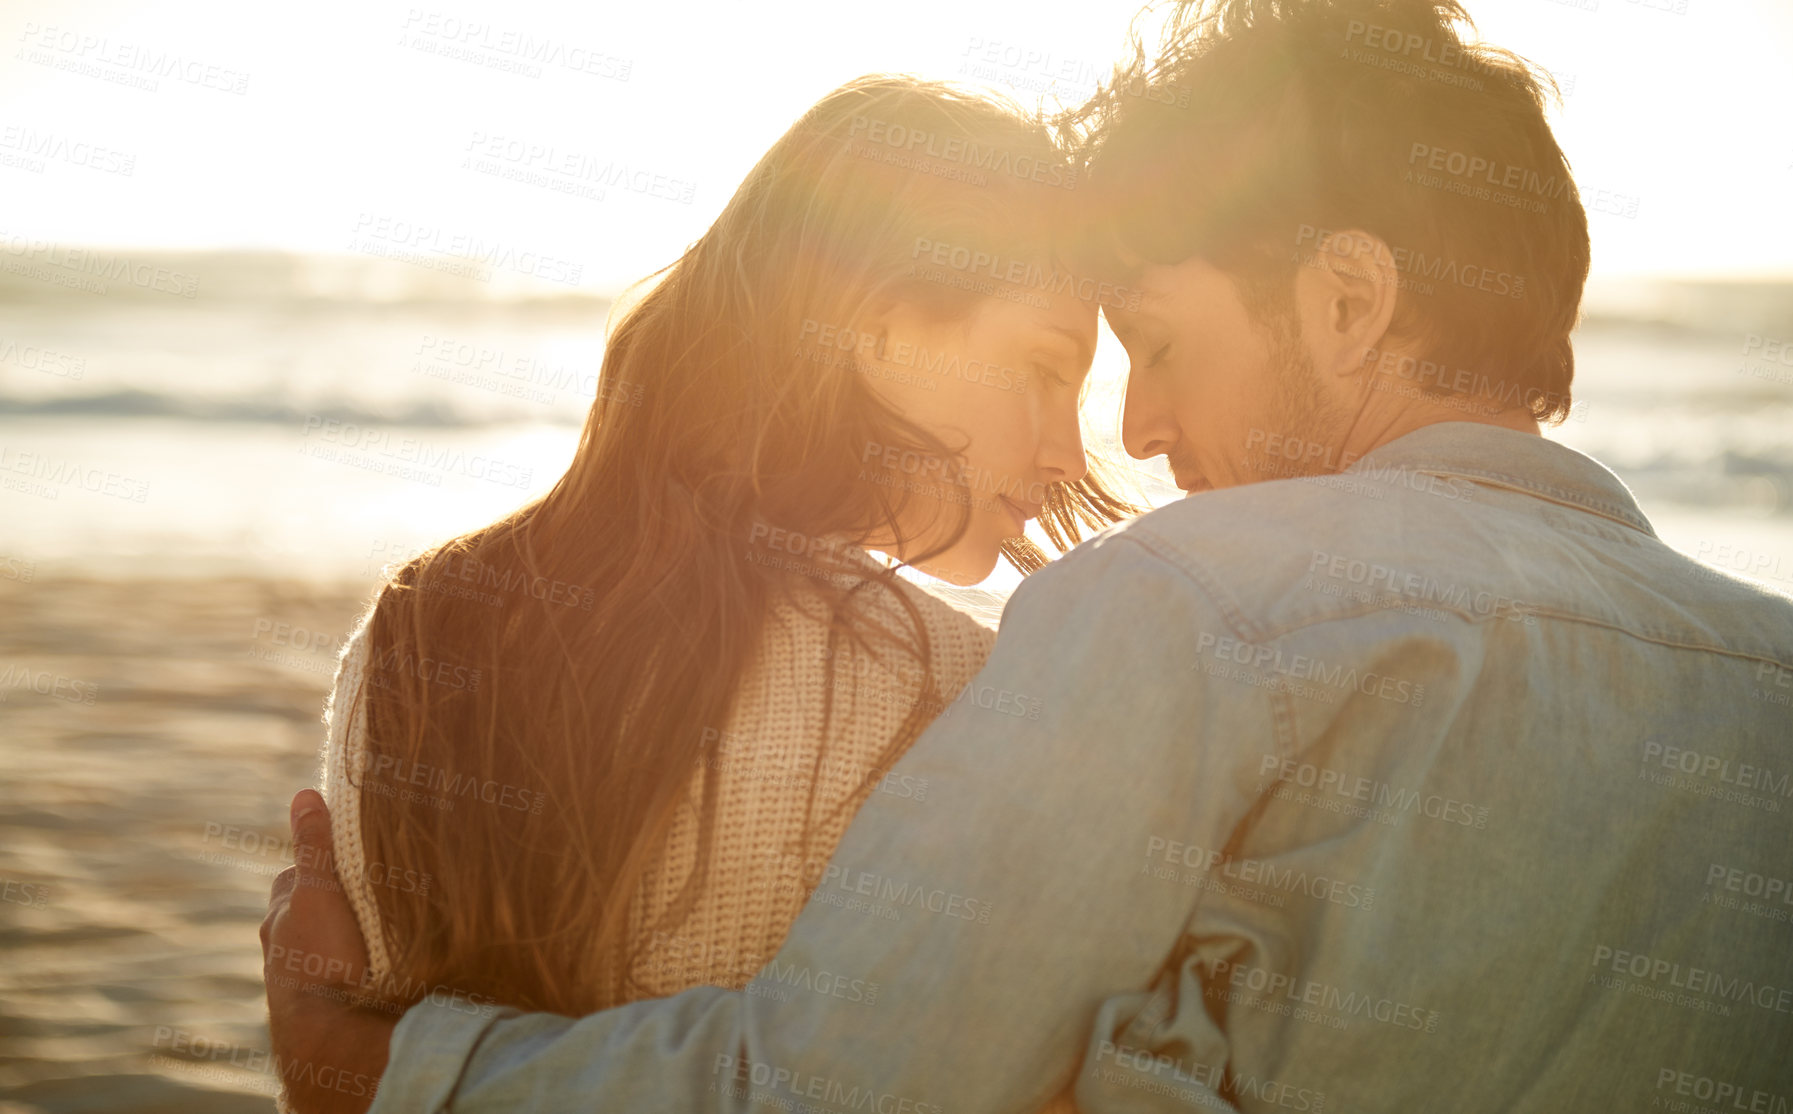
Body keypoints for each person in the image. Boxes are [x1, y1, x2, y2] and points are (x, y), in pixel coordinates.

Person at [263, 1, 1793, 1111]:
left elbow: (831, 1088)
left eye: (1159, 344)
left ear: (1347, 302)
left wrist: (382, 1068)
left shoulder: (1191, 605)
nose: (1135, 424)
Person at [274, 71, 1138, 1097]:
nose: (1064, 451)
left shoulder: (414, 620)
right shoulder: (943, 683)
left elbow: (361, 1046)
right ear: (879, 330)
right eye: (1046, 368)